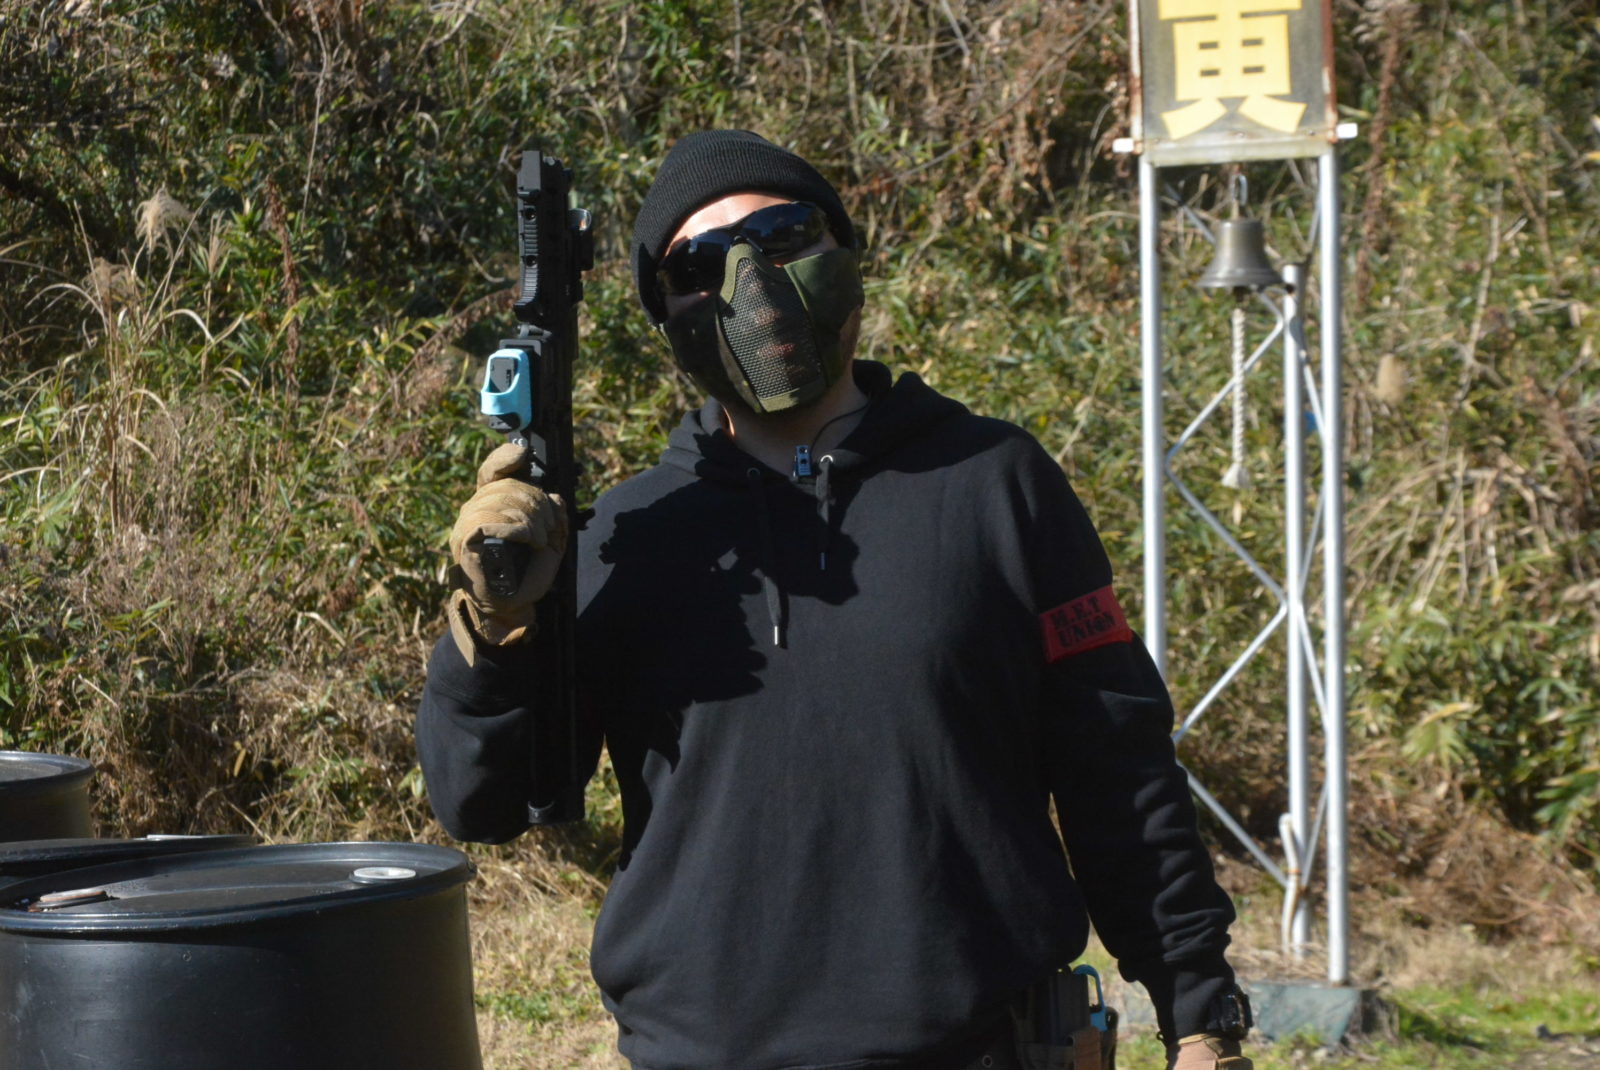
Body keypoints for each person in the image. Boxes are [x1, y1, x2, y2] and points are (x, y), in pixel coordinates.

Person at [417, 129, 1255, 1070]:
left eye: (782, 236)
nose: (750, 283)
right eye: (698, 264)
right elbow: (483, 801)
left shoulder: (995, 483)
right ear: (668, 314)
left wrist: (1200, 1019)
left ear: (844, 250)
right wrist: (496, 622)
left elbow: (1119, 769)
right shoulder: (626, 533)